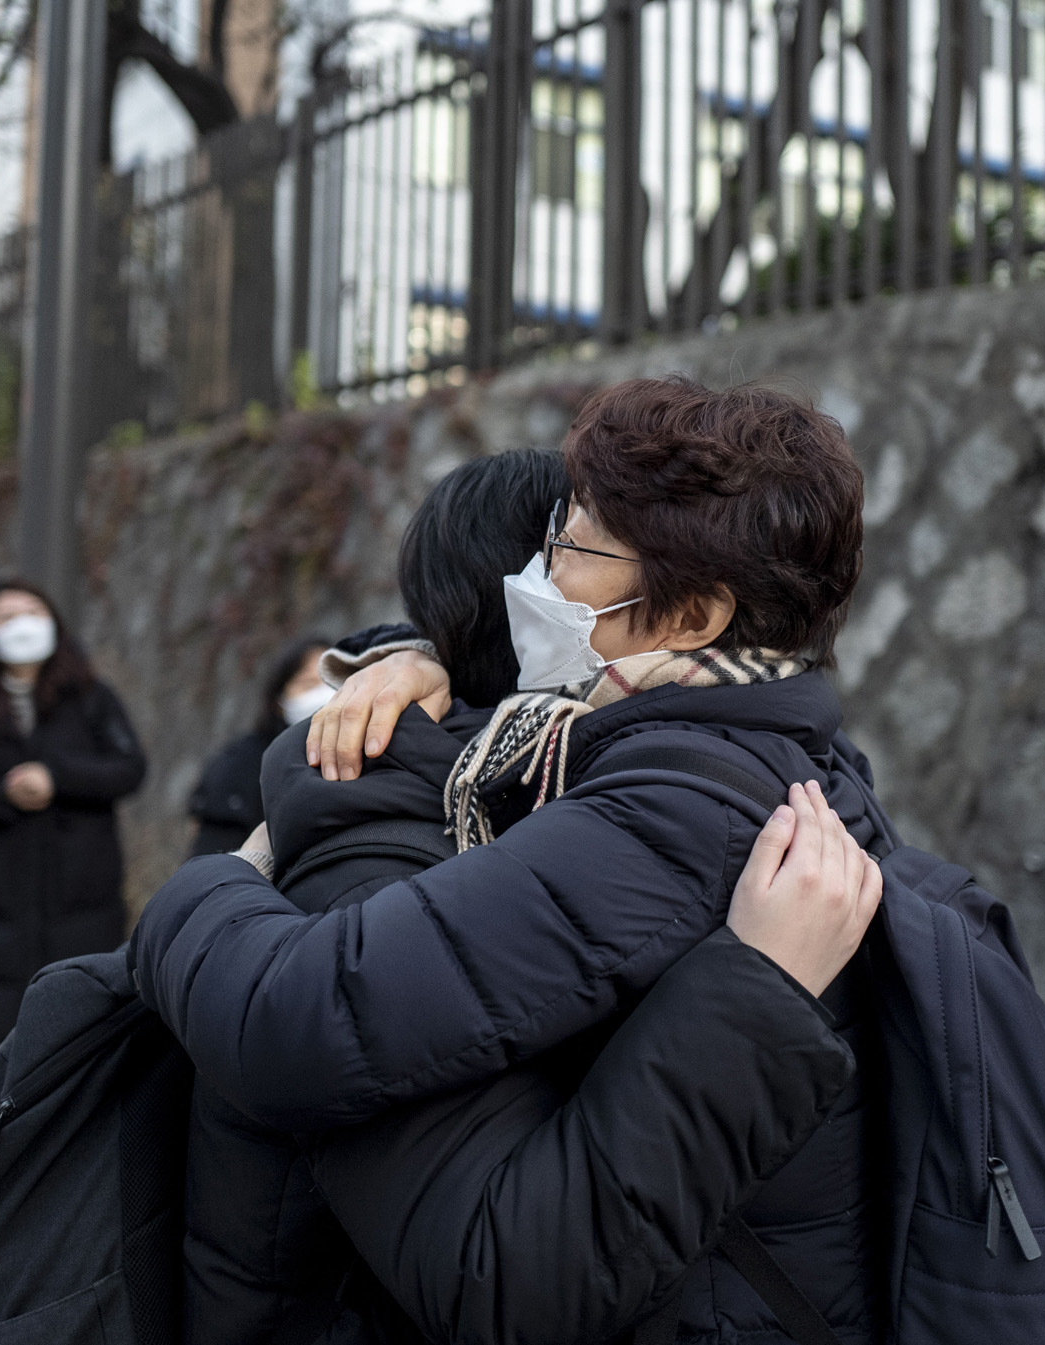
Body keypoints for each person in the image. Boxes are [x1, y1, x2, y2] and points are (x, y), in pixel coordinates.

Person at [134, 378, 900, 1343]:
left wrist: (210, 885)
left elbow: (305, 1020)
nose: (535, 574)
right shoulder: (743, 745)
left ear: (694, 617)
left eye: (573, 545)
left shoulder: (666, 813)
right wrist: (425, 659)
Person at [0, 581, 146, 1053]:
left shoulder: (92, 697)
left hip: (84, 898)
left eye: (32, 611)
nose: (21, 624)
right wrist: (2, 793)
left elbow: (130, 769)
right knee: (4, 1045)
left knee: (88, 1038)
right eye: (6, 617)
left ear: (54, 624)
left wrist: (58, 778)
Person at [187, 635, 331, 856]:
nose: (323, 695)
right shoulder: (241, 763)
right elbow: (214, 859)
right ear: (279, 699)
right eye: (308, 684)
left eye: (331, 683)